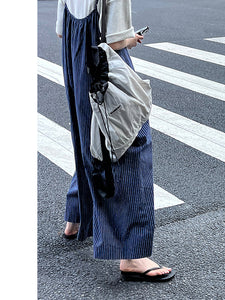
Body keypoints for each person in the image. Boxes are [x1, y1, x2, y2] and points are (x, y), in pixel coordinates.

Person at [55, 0, 175, 281]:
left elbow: (62, 30)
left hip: (75, 56)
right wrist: (132, 39)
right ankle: (132, 255)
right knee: (130, 144)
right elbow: (118, 39)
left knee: (91, 139)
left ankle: (76, 216)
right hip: (103, 63)